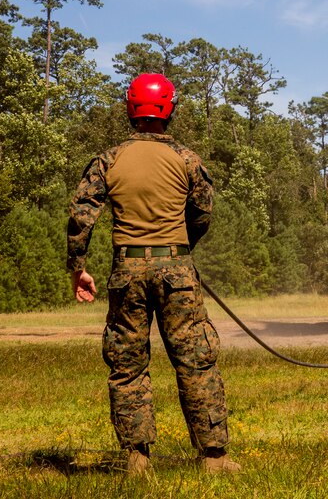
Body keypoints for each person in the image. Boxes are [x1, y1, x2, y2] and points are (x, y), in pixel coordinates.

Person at [67, 73, 240, 475]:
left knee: (127, 365)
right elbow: (202, 213)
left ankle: (137, 459)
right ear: (169, 109)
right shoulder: (187, 159)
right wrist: (180, 251)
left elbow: (80, 216)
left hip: (126, 270)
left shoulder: (108, 160)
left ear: (131, 108)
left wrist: (78, 269)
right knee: (196, 360)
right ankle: (215, 459)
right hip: (177, 270)